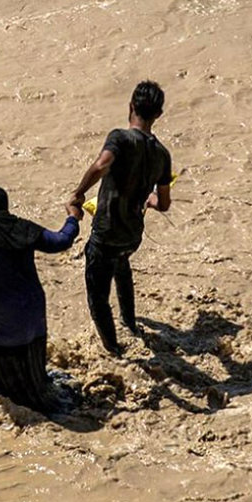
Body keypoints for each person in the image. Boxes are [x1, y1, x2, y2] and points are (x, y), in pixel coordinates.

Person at [0, 186, 81, 412]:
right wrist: (72, 218)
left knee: (6, 390)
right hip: (33, 312)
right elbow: (61, 241)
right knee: (37, 376)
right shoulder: (24, 228)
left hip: (1, 320)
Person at [69, 80, 172, 356]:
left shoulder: (120, 138)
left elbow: (101, 165)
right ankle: (130, 322)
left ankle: (114, 349)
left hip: (107, 233)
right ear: (158, 115)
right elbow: (163, 204)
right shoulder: (163, 155)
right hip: (132, 236)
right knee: (122, 264)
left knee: (97, 298)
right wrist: (148, 200)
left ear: (130, 107)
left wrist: (78, 193)